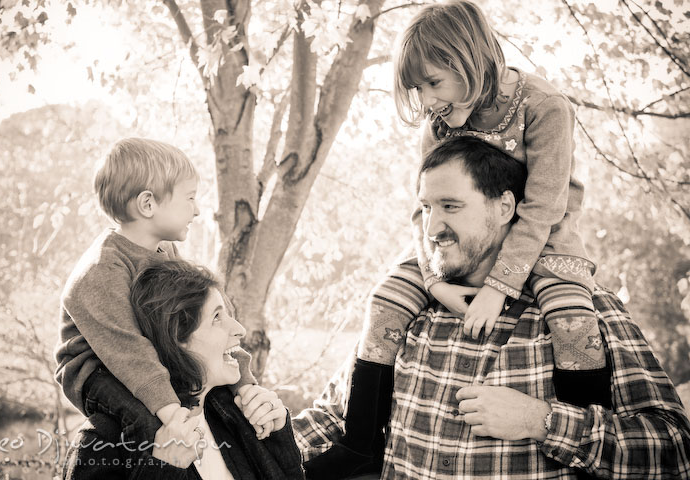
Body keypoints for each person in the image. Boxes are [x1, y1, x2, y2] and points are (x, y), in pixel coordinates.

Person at [303, 2, 610, 477]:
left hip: (546, 234)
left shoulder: (544, 107)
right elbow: (424, 204)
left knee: (572, 316)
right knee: (385, 297)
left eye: (433, 83)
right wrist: (435, 280)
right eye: (417, 89)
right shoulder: (439, 123)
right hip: (456, 241)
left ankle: (582, 452)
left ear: (469, 60)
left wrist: (499, 287)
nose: (426, 100)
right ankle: (362, 440)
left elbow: (543, 207)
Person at [294, 136, 690, 479]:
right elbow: (334, 419)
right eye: (427, 208)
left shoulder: (579, 311)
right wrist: (247, 444)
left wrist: (541, 421)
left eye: (450, 206)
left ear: (505, 208)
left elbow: (674, 451)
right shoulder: (406, 310)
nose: (431, 229)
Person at [54, 137, 257, 457]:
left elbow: (211, 315)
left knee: (208, 403)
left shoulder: (164, 251)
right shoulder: (101, 270)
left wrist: (243, 381)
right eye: (190, 198)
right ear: (148, 204)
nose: (198, 209)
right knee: (149, 421)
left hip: (146, 352)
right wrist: (170, 411)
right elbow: (127, 351)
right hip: (95, 369)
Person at [63, 259, 305, 479]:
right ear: (175, 338)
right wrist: (165, 468)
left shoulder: (234, 413)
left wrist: (278, 433)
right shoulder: (103, 441)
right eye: (217, 318)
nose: (239, 329)